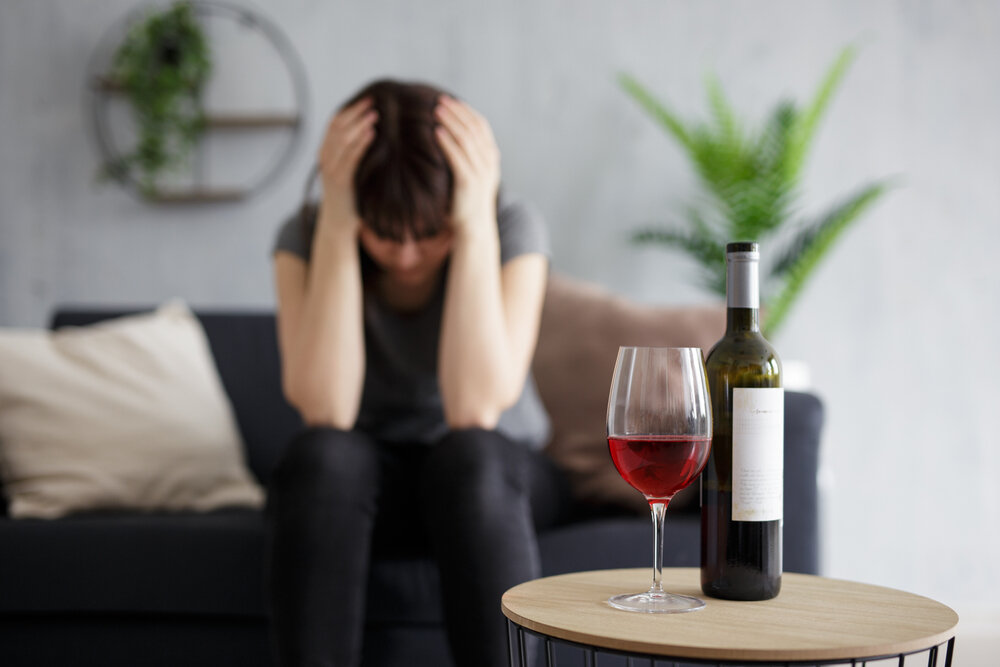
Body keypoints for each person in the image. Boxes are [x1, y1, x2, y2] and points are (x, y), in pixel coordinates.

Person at [266, 79, 570, 667]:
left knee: (470, 455)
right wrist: (335, 223)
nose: (406, 257)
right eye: (384, 234)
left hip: (493, 480)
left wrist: (476, 222)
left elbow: (476, 410)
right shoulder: (305, 234)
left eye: (429, 235)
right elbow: (326, 410)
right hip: (368, 486)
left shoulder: (510, 227)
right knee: (322, 455)